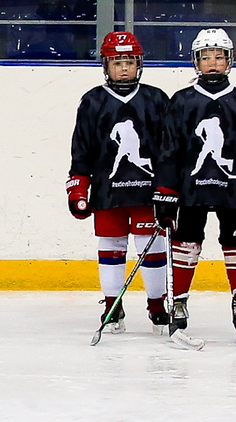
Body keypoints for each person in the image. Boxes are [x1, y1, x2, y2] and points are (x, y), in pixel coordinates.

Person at [152, 27, 236, 339]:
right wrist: (165, 189)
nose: (213, 63)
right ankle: (178, 301)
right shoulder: (182, 101)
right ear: (196, 62)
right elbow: (169, 149)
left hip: (235, 189)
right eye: (206, 58)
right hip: (190, 190)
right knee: (185, 242)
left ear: (229, 61)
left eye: (219, 57)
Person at [67, 28, 174, 330]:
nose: (124, 68)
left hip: (148, 193)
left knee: (151, 246)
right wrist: (78, 186)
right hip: (107, 192)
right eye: (117, 62)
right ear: (106, 66)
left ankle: (157, 304)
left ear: (139, 64)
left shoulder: (155, 99)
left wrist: (170, 186)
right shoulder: (92, 102)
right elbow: (82, 148)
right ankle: (113, 304)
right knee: (110, 245)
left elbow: (169, 148)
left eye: (129, 61)